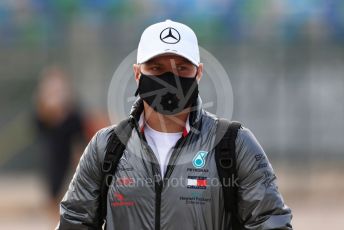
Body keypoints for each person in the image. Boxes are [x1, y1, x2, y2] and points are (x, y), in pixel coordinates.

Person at [57, 20, 292, 229]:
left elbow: (271, 222)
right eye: (157, 68)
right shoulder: (106, 146)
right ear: (138, 73)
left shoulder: (235, 143)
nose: (169, 80)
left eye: (181, 68)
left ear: (198, 73)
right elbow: (74, 222)